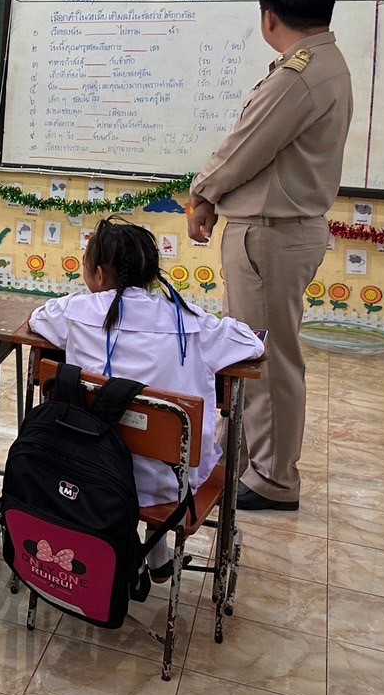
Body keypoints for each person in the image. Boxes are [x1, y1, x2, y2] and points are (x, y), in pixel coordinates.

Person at [187, 0, 352, 511]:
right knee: (255, 353)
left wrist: (203, 194)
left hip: (271, 234)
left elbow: (245, 147)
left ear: (270, 16)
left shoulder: (299, 74)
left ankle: (274, 480)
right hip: (277, 231)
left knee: (265, 359)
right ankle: (249, 461)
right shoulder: (322, 64)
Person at [29, 220, 264, 574]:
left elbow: (37, 318)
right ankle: (156, 552)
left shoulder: (74, 313)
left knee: (122, 428)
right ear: (152, 273)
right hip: (170, 483)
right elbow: (252, 344)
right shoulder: (190, 321)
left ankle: (122, 552)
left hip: (86, 469)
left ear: (96, 273)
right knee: (153, 435)